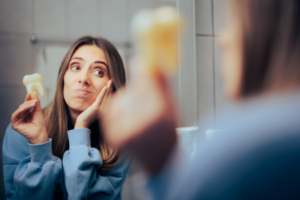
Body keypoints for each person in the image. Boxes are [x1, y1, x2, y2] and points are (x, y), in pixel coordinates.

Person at [101, 0, 300, 199]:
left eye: (234, 22)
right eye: (75, 67)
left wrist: (161, 167)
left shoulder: (240, 147)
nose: (222, 40)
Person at [2, 36, 131, 200]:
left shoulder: (121, 139)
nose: (83, 79)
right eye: (75, 67)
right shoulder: (23, 130)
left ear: (113, 87)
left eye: (98, 72)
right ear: (62, 77)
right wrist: (39, 145)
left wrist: (81, 127)